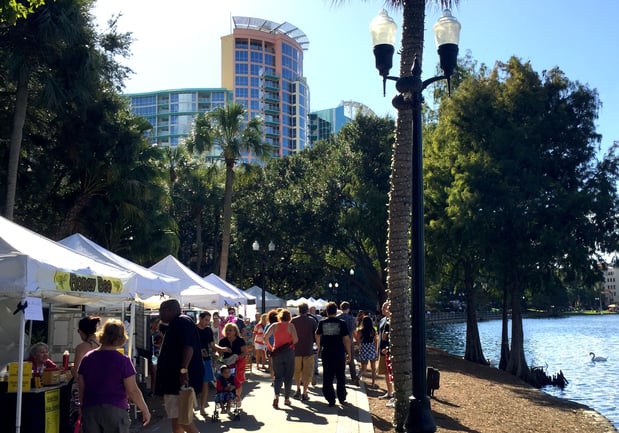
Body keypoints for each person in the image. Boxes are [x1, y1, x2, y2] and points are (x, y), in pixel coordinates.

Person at [78, 319, 151, 432]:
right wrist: (144, 409)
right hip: (115, 409)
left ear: (102, 335)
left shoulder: (87, 358)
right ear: (121, 338)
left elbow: (81, 386)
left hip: (90, 408)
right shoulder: (123, 360)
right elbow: (132, 390)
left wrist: (82, 406)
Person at [155, 299, 203, 433]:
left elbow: (188, 347)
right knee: (177, 419)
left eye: (161, 310)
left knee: (183, 420)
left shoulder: (182, 321)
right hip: (173, 382)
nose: (159, 314)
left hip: (178, 381)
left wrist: (183, 370)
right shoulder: (176, 323)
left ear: (169, 310)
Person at [315, 301, 352, 407]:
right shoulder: (341, 323)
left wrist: (318, 347)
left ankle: (330, 398)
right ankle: (341, 397)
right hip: (339, 352)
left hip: (327, 352)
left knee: (328, 376)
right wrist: (348, 352)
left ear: (327, 312)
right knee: (340, 376)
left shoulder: (322, 323)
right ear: (336, 311)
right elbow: (346, 339)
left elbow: (317, 334)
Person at [264, 308, 298, 408]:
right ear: (289, 318)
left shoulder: (274, 326)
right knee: (288, 376)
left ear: (279, 317)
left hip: (277, 352)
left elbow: (265, 337)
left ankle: (276, 396)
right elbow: (296, 340)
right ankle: (286, 399)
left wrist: (271, 348)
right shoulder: (291, 326)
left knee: (278, 376)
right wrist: (290, 342)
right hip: (289, 353)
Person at [290, 302, 317, 401]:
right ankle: (305, 392)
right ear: (307, 310)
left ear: (298, 310)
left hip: (296, 350)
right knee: (307, 372)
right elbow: (316, 335)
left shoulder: (293, 321)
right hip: (308, 350)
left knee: (297, 371)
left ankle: (297, 389)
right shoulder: (312, 321)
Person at [214, 322, 247, 402]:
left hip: (237, 363)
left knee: (237, 381)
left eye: (230, 330)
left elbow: (244, 352)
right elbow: (219, 352)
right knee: (223, 380)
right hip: (225, 363)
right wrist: (218, 355)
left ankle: (238, 397)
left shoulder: (240, 340)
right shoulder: (222, 341)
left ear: (235, 331)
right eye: (227, 330)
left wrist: (237, 357)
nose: (228, 332)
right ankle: (226, 397)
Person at [196, 311, 215, 416]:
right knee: (193, 383)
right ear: (200, 318)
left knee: (205, 383)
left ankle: (202, 407)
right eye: (206, 320)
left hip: (206, 359)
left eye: (209, 320)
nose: (207, 322)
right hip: (194, 360)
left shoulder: (208, 330)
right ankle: (191, 407)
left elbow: (212, 345)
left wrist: (220, 350)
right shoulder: (193, 329)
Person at [377, 301, 394, 406]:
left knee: (391, 372)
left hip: (389, 350)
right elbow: (381, 336)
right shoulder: (383, 320)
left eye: (385, 308)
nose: (383, 309)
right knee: (385, 372)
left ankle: (393, 394)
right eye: (382, 307)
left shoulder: (392, 320)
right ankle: (389, 392)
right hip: (382, 350)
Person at [337, 301, 359, 386]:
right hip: (349, 341)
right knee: (351, 360)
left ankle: (341, 376)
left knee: (340, 360)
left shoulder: (338, 318)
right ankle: (353, 377)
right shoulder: (351, 318)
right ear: (348, 309)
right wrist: (358, 341)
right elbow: (354, 331)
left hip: (339, 341)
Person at [354, 315, 378, 388]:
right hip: (371, 347)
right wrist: (376, 349)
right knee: (373, 368)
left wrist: (359, 347)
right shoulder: (373, 330)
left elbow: (358, 341)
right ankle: (373, 383)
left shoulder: (360, 331)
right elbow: (375, 340)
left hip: (364, 347)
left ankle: (358, 376)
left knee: (363, 367)